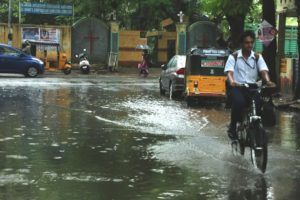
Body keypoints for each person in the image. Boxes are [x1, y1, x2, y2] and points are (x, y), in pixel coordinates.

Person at [224, 31, 276, 140]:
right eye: (247, 43)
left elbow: (264, 71)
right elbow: (229, 72)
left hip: (253, 88)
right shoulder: (233, 56)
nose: (250, 45)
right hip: (237, 87)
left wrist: (268, 81)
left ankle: (254, 131)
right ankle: (233, 126)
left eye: (252, 42)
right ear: (242, 44)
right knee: (239, 103)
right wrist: (232, 81)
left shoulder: (257, 57)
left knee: (258, 106)